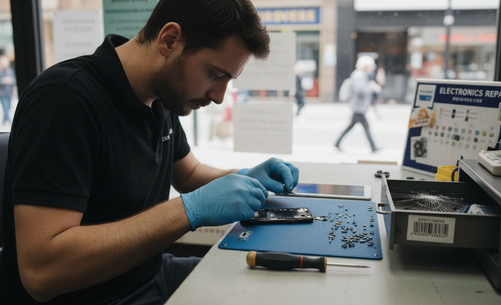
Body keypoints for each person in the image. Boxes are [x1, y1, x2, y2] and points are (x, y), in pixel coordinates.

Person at [0, 1, 299, 304]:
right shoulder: (63, 100)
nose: (219, 98)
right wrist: (188, 210)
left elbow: (189, 174)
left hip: (148, 276)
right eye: (214, 75)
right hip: (97, 297)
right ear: (169, 40)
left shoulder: (161, 96)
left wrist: (246, 178)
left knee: (273, 290)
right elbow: (41, 271)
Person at [334, 56, 380, 153]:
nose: (372, 68)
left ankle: (337, 142)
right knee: (365, 127)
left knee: (352, 126)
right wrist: (371, 87)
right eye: (371, 66)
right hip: (358, 106)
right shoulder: (359, 75)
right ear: (366, 66)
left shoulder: (360, 74)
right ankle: (373, 147)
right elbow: (360, 90)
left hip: (358, 106)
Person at [0, 55, 16, 125]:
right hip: (2, 93)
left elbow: (15, 80)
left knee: (8, 108)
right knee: (6, 108)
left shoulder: (10, 71)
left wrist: (11, 81)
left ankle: (4, 121)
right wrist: (3, 80)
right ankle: (11, 124)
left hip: (10, 93)